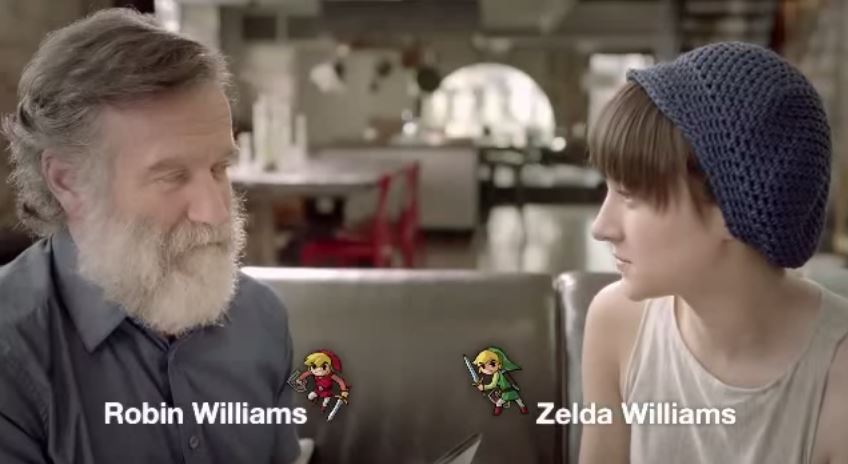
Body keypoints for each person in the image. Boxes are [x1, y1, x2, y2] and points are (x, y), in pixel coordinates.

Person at [0, 8, 300, 463]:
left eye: (219, 168)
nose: (215, 211)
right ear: (68, 180)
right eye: (172, 176)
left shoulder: (261, 319)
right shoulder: (11, 355)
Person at [580, 42, 848, 464]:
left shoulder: (837, 373)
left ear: (729, 209)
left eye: (630, 195)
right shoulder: (615, 324)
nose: (601, 227)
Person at [472, 347, 528, 416]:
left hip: (506, 393)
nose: (488, 368)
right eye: (483, 366)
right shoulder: (503, 371)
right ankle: (524, 410)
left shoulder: (497, 374)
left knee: (498, 403)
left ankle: (497, 413)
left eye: (492, 364)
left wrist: (483, 387)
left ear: (498, 363)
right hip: (513, 391)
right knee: (519, 401)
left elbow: (493, 385)